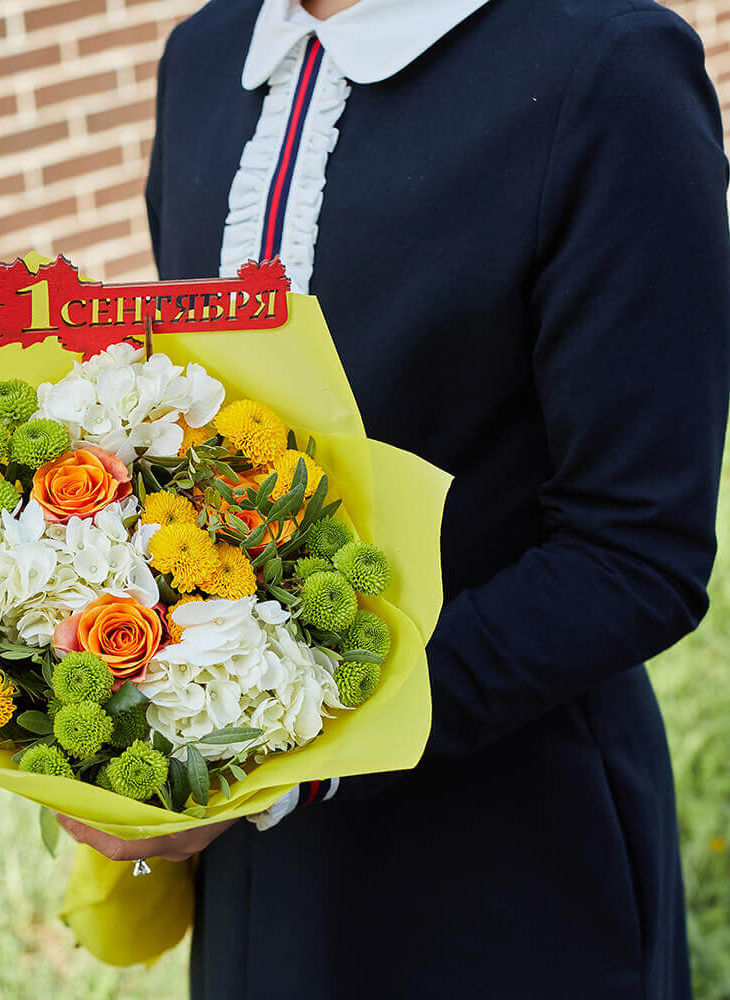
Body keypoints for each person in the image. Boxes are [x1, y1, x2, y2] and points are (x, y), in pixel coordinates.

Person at [56, 0, 730, 996]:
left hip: (511, 851)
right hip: (255, 856)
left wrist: (296, 752)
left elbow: (634, 555)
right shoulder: (203, 59)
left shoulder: (604, 69)